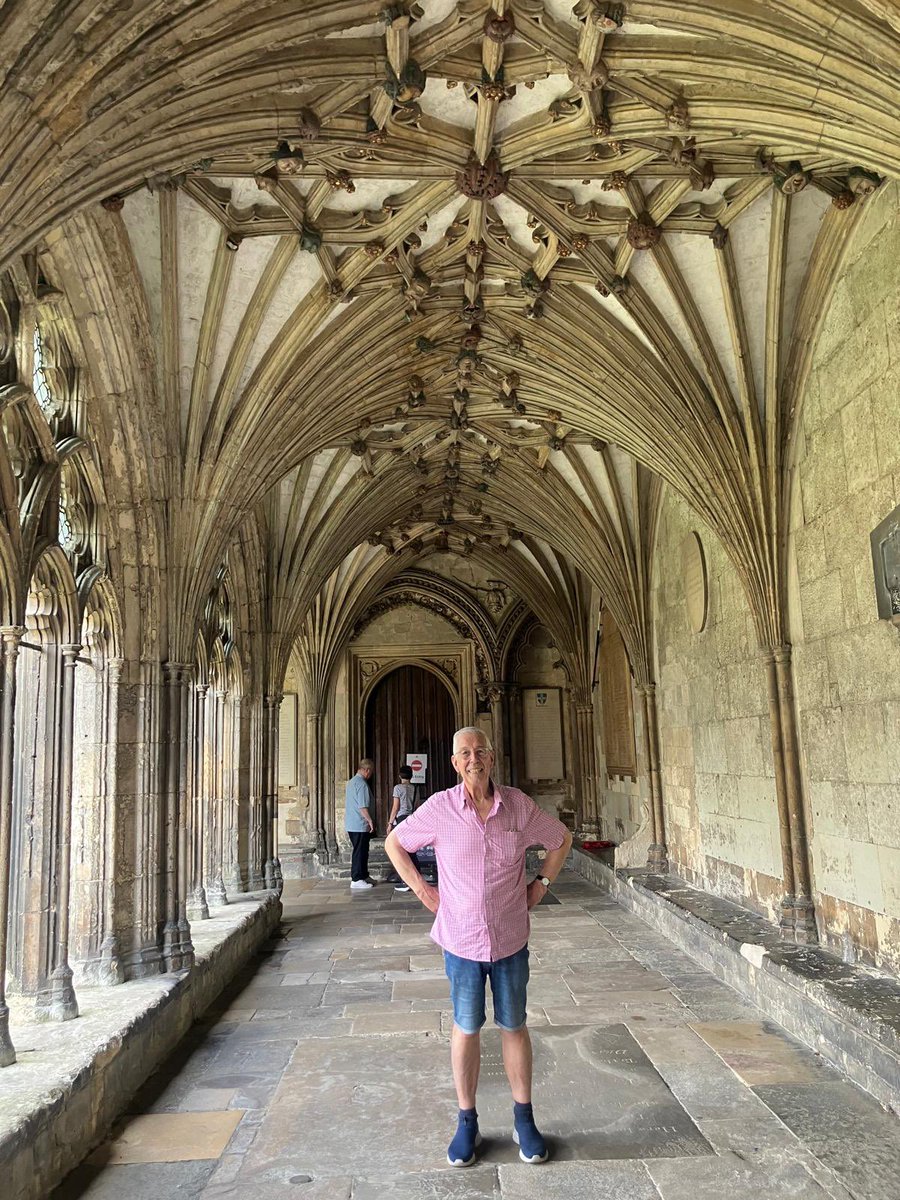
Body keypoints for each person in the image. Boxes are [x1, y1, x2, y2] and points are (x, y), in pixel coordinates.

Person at [385, 726, 572, 1168]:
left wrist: (541, 884)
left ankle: (523, 1118)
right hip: (461, 941)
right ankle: (467, 1121)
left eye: (481, 751)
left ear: (492, 757)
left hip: (510, 938)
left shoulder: (518, 807)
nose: (474, 759)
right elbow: (395, 843)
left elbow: (561, 838)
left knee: (514, 1025)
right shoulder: (439, 808)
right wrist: (424, 891)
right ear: (455, 763)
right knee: (466, 1028)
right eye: (465, 753)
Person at [345, 757, 376, 890]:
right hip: (359, 824)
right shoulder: (362, 784)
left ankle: (363, 875)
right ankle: (357, 878)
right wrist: (370, 820)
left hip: (352, 823)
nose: (371, 775)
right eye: (371, 772)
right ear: (366, 770)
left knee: (362, 851)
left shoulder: (351, 782)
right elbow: (363, 806)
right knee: (359, 852)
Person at [386, 765, 418, 892]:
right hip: (412, 819)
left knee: (401, 849)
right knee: (411, 849)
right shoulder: (415, 788)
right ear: (411, 776)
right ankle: (415, 876)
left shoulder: (398, 788)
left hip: (401, 819)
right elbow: (417, 806)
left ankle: (406, 880)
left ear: (400, 776)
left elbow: (395, 807)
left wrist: (390, 823)